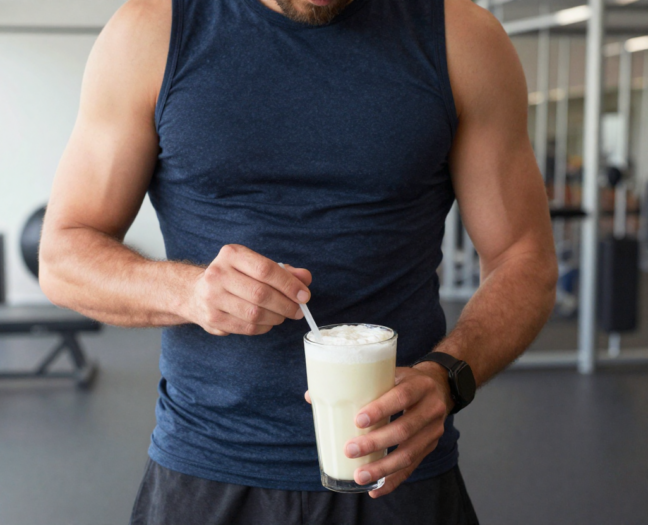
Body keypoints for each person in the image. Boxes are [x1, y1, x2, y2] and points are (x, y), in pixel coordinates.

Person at [38, 0, 557, 523]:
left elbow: (524, 259)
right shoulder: (151, 33)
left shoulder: (462, 39)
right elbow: (63, 254)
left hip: (398, 473)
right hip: (206, 469)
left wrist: (447, 377)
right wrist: (189, 293)